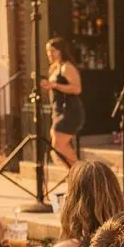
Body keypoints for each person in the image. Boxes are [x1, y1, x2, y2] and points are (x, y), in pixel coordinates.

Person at [41, 37, 84, 168]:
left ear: (61, 51)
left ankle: (80, 171)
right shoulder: (54, 68)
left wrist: (55, 85)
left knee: (58, 144)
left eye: (53, 51)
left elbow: (77, 88)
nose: (50, 54)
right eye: (48, 51)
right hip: (58, 110)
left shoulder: (67, 67)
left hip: (70, 110)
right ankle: (74, 173)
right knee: (58, 147)